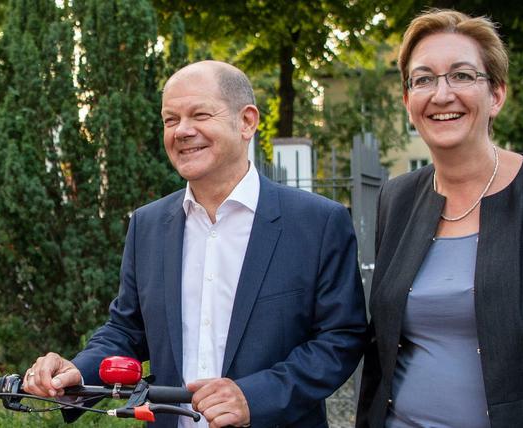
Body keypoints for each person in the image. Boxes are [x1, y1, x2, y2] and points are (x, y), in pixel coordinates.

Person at [24, 61, 367, 428]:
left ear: (247, 122)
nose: (183, 131)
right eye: (170, 120)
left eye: (199, 114)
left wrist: (255, 397)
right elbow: (127, 329)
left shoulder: (317, 222)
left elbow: (340, 338)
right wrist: (77, 370)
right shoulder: (148, 225)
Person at [356, 9, 523, 428]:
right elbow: (381, 348)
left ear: (495, 94)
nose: (441, 95)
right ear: (407, 101)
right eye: (423, 79)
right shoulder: (396, 198)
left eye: (461, 75)